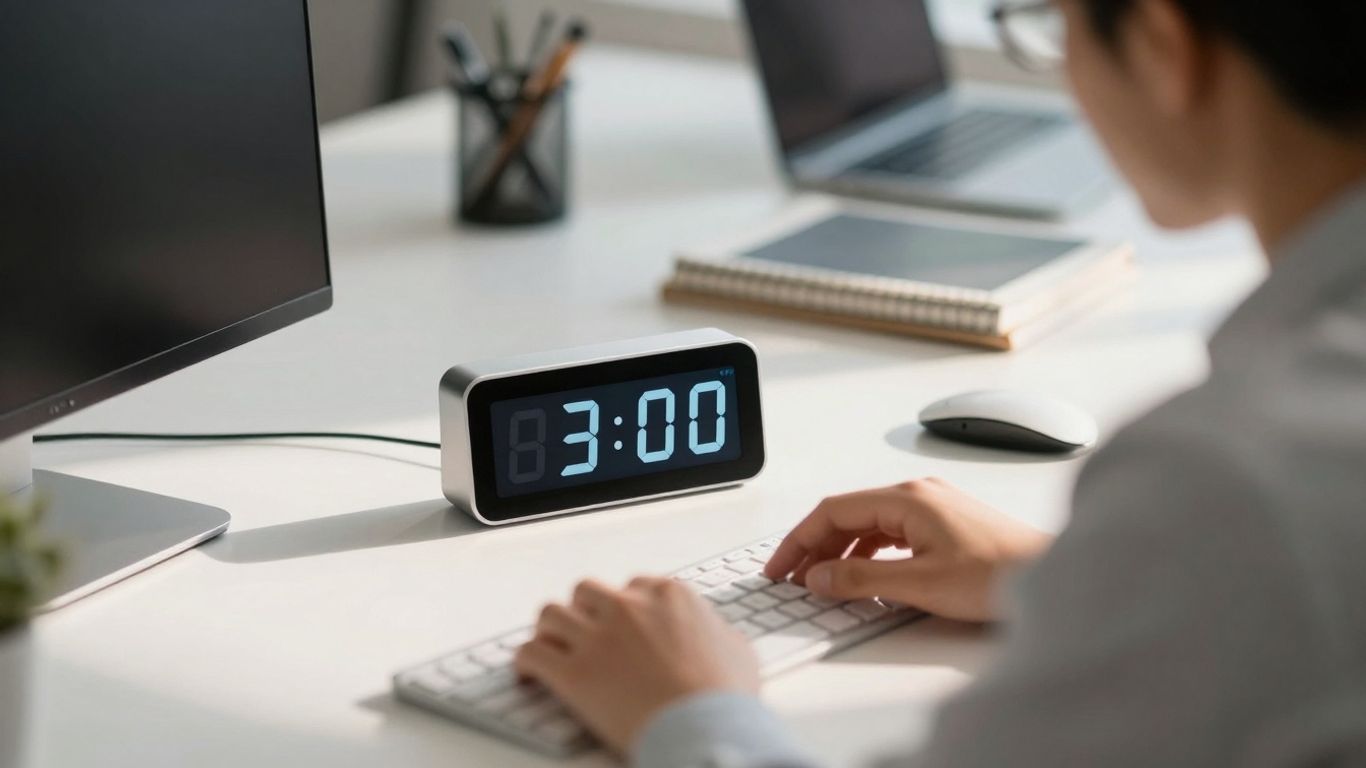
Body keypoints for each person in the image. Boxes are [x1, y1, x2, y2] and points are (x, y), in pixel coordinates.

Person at [514, 0, 1366, 764]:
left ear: (1157, 43)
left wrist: (690, 712)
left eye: (1053, 23)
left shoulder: (1230, 485)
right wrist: (1074, 579)